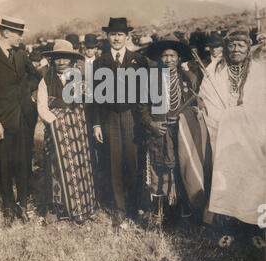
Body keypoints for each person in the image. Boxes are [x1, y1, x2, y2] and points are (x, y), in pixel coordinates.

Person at [199, 28, 266, 246]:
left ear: (248, 48)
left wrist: (243, 117)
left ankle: (253, 229)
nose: (236, 49)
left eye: (241, 45)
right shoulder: (215, 70)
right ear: (226, 48)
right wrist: (229, 118)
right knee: (225, 180)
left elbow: (261, 104)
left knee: (253, 181)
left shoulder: (259, 71)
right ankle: (227, 229)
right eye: (231, 45)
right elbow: (207, 100)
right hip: (223, 135)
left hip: (251, 138)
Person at [139, 37, 210, 225]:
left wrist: (187, 115)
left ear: (179, 58)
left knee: (181, 169)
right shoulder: (150, 78)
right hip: (159, 132)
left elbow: (196, 103)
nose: (168, 59)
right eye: (165, 56)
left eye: (172, 55)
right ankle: (159, 214)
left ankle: (183, 214)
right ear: (160, 59)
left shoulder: (189, 78)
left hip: (182, 133)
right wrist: (152, 124)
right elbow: (142, 106)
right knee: (159, 170)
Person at [0, 16, 41, 227]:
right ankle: (8, 208)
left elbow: (35, 76)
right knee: (4, 166)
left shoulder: (21, 55)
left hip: (23, 118)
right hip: (3, 122)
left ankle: (22, 205)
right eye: (18, 33)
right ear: (6, 33)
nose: (21, 37)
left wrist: (28, 94)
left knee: (23, 163)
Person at [92, 17, 148, 229]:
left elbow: (145, 93)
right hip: (109, 118)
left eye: (120, 34)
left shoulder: (138, 60)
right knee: (114, 163)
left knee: (133, 162)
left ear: (127, 37)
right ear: (108, 37)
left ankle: (135, 207)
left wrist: (145, 120)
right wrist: (96, 124)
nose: (116, 38)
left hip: (132, 117)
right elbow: (96, 97)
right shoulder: (100, 62)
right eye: (112, 34)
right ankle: (119, 209)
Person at [37, 40, 96, 224]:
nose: (61, 61)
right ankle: (57, 208)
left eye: (65, 58)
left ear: (71, 60)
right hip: (55, 130)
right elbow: (42, 106)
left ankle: (82, 207)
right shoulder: (45, 79)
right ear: (52, 60)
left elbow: (89, 100)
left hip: (77, 131)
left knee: (79, 165)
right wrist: (57, 121)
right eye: (57, 58)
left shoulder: (80, 77)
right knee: (56, 167)